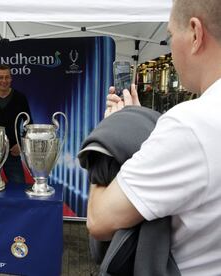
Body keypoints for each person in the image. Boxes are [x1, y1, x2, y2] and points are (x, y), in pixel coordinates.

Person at [87, 0, 221, 275]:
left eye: (171, 35)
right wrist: (134, 121)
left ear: (195, 34)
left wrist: (111, 134)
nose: (170, 49)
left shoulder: (191, 123)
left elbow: (99, 221)